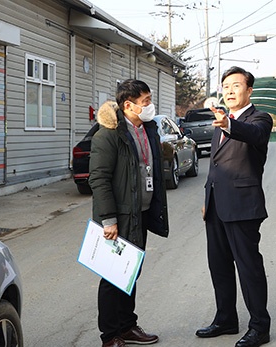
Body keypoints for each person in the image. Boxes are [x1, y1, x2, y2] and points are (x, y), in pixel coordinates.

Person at [195, 66, 273, 347]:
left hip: (243, 206)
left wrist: (229, 124)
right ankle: (225, 318)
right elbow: (215, 166)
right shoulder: (221, 122)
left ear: (249, 90)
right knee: (219, 266)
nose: (229, 91)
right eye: (225, 86)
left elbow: (254, 135)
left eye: (236, 85)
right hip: (216, 205)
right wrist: (207, 199)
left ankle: (259, 327)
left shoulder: (259, 118)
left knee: (248, 267)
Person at [88, 79, 169, 347]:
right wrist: (108, 220)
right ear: (128, 105)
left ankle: (127, 326)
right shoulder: (109, 135)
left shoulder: (148, 129)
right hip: (119, 218)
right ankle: (110, 335)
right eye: (146, 101)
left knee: (131, 272)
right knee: (113, 276)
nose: (150, 106)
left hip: (141, 213)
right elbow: (99, 179)